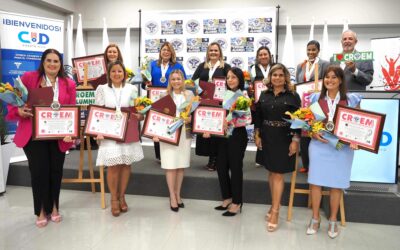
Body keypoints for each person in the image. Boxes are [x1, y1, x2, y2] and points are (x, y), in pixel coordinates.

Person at [6, 48, 76, 227]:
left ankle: (54, 208)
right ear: (43, 63)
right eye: (49, 61)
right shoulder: (29, 78)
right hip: (33, 135)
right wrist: (19, 111)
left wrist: (71, 132)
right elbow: (14, 100)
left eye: (56, 61)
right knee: (39, 173)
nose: (52, 64)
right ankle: (40, 211)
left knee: (55, 172)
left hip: (58, 135)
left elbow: (72, 109)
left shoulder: (68, 83)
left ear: (60, 64)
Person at [306, 65, 361, 238]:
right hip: (319, 146)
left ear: (341, 80)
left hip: (341, 148)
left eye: (334, 77)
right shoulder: (315, 97)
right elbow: (308, 123)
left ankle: (332, 220)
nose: (330, 80)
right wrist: (313, 133)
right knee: (315, 182)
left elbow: (357, 125)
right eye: (327, 77)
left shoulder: (352, 99)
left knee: (336, 184)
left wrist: (355, 140)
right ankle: (315, 219)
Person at [254, 63, 301, 232]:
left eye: (281, 75)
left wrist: (295, 140)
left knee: (278, 174)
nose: (277, 78)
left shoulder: (293, 96)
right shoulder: (264, 95)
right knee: (271, 172)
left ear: (285, 77)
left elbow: (298, 120)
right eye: (275, 75)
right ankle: (274, 203)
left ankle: (275, 211)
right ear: (270, 77)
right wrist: (257, 134)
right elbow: (259, 116)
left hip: (284, 137)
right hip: (267, 136)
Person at [95, 60, 144, 217]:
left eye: (120, 71)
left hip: (128, 130)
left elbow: (139, 110)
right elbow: (98, 111)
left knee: (126, 164)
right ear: (109, 73)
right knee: (114, 166)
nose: (117, 74)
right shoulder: (102, 89)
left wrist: (140, 115)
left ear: (124, 74)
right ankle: (113, 199)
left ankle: (122, 195)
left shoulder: (131, 89)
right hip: (109, 132)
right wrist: (97, 132)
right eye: (114, 71)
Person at [152, 69, 193, 212]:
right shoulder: (164, 95)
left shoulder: (190, 95)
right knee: (170, 165)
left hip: (184, 135)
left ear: (183, 80)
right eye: (173, 79)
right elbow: (156, 115)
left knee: (180, 165)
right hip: (168, 134)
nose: (176, 81)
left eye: (179, 79)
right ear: (169, 81)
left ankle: (178, 193)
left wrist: (190, 119)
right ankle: (172, 196)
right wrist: (155, 133)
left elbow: (195, 115)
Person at [213, 68, 250, 216]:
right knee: (221, 166)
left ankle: (237, 202)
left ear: (240, 79)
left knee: (235, 169)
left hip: (237, 136)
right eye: (228, 78)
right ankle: (227, 197)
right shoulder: (225, 94)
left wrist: (228, 120)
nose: (230, 80)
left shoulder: (244, 96)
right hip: (222, 136)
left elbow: (247, 119)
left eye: (233, 77)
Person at [144, 42, 186, 162]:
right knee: (157, 123)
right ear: (160, 52)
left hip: (172, 98)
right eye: (164, 49)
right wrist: (145, 83)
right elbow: (145, 82)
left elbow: (184, 82)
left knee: (170, 121)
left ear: (172, 52)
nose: (166, 52)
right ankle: (159, 154)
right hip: (155, 98)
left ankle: (172, 150)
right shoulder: (152, 65)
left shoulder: (177, 66)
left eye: (168, 50)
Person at [192, 42, 231, 171]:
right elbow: (193, 81)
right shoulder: (202, 66)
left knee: (216, 131)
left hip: (220, 104)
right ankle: (212, 158)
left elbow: (232, 84)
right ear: (207, 53)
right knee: (207, 129)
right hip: (204, 103)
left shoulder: (226, 67)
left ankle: (216, 160)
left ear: (220, 52)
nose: (213, 53)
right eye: (211, 50)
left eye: (216, 50)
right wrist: (199, 90)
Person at [296, 40, 329, 173]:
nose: (311, 52)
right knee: (304, 132)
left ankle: (317, 164)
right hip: (303, 103)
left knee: (316, 130)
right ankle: (306, 164)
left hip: (318, 102)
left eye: (313, 50)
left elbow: (327, 82)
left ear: (318, 51)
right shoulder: (301, 65)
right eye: (309, 50)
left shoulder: (325, 64)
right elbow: (298, 83)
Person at [249, 46, 274, 168]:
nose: (263, 56)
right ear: (257, 57)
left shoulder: (275, 67)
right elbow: (249, 85)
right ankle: (260, 156)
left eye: (265, 54)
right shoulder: (252, 69)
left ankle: (271, 155)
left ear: (270, 55)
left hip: (273, 101)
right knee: (259, 126)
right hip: (258, 103)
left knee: (270, 128)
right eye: (261, 55)